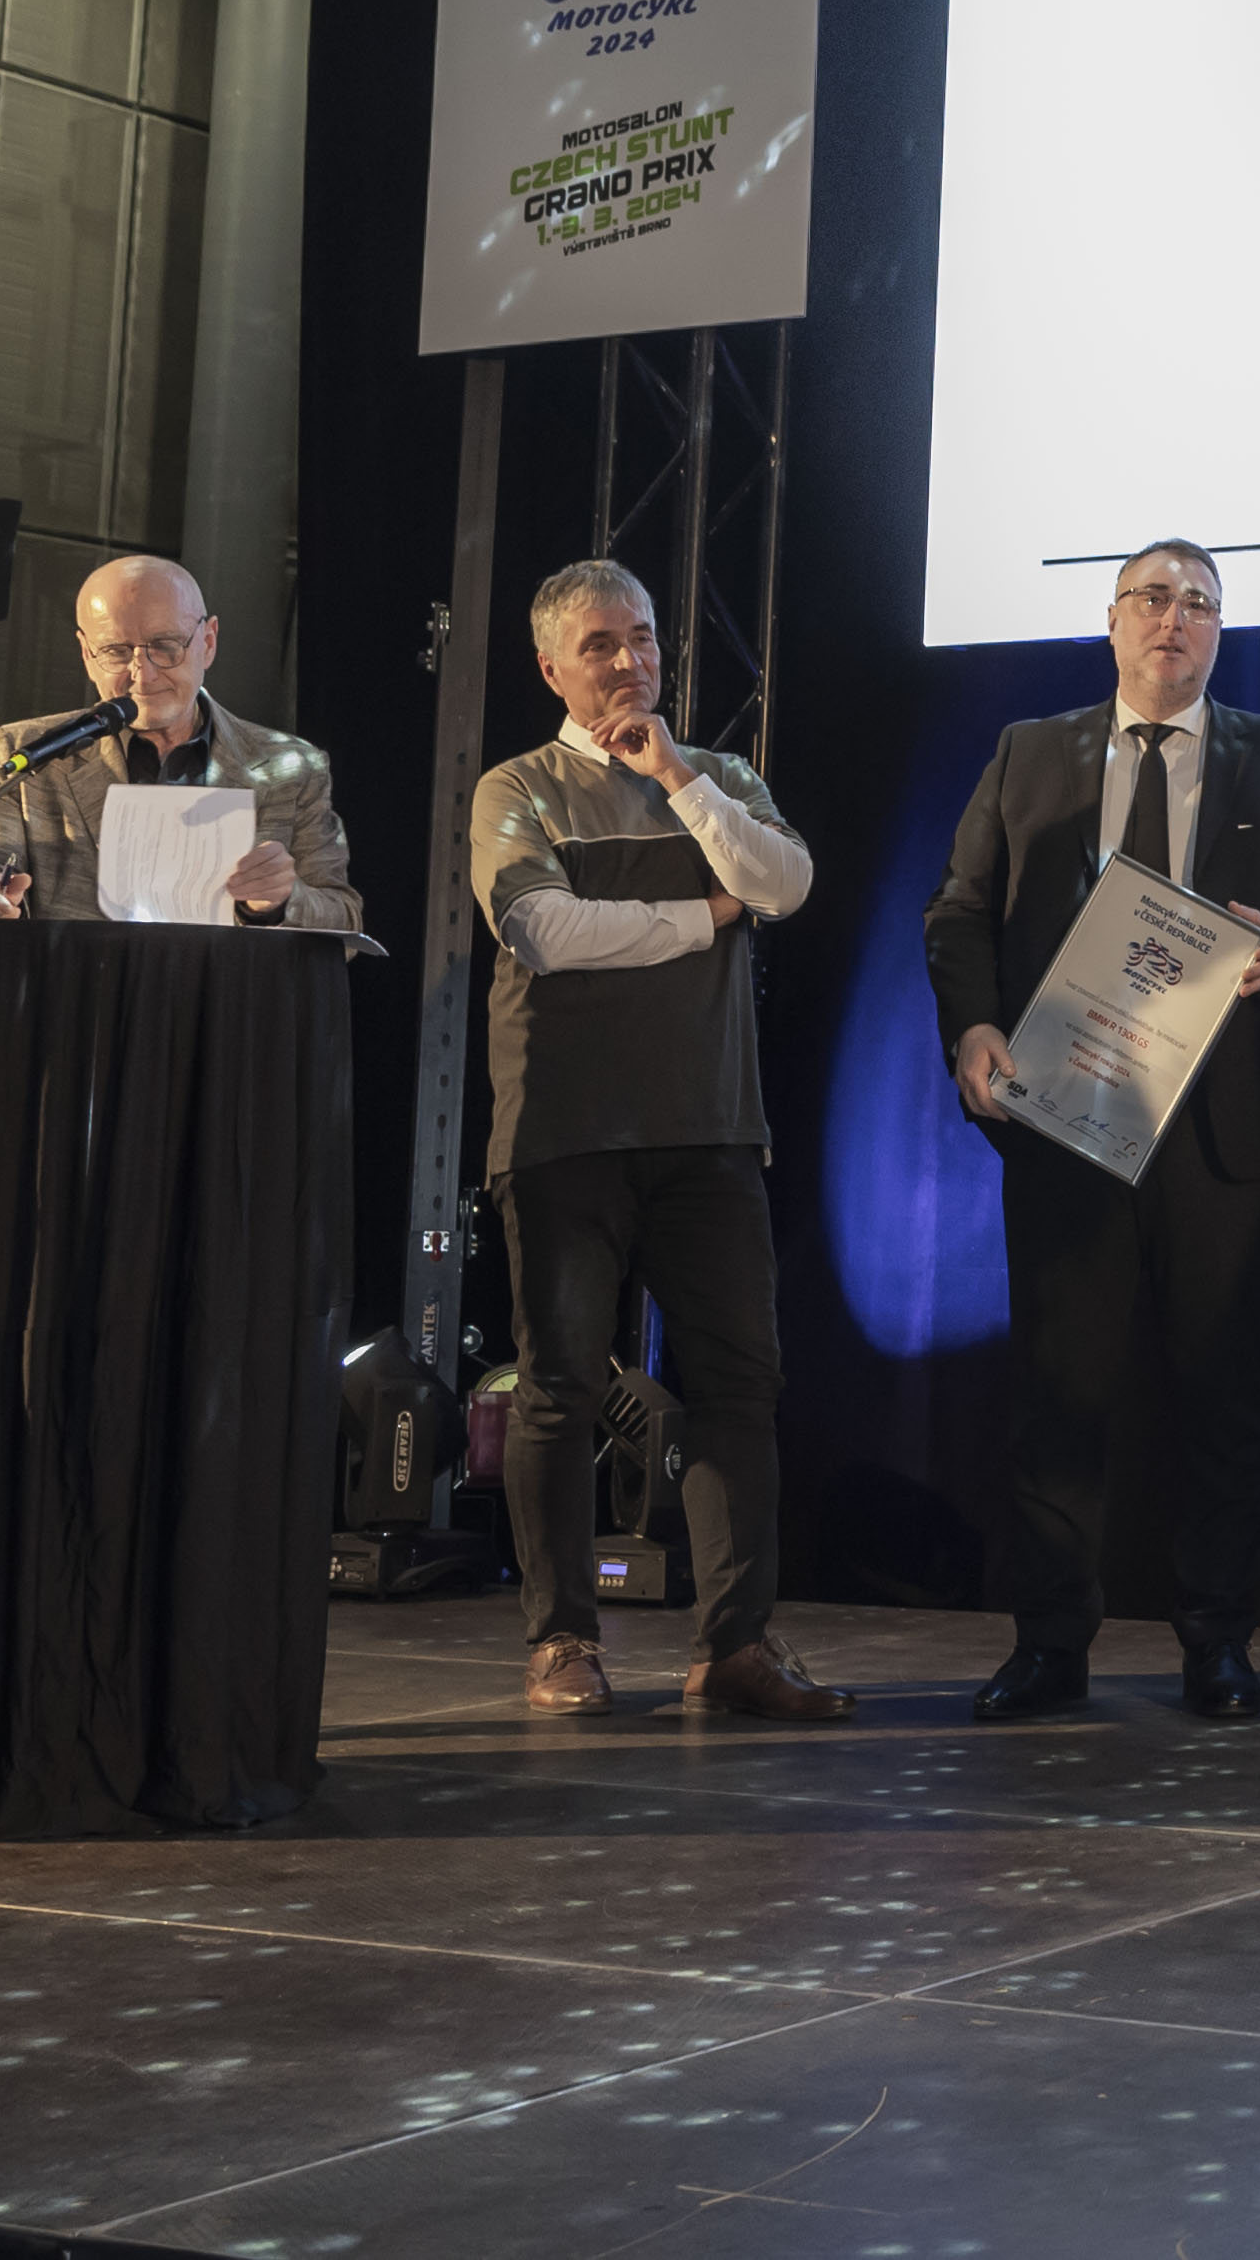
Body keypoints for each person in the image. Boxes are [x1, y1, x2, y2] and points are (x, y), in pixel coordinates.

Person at [928, 539, 1260, 1723]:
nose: (1174, 618)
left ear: (1219, 632)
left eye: (1199, 605)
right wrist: (974, 1026)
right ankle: (1049, 1648)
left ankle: (1217, 1645)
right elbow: (961, 907)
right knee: (1058, 1397)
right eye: (1152, 597)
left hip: (1224, 1132)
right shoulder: (1030, 752)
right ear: (1112, 617)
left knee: (1224, 1400)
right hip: (1067, 1113)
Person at [468, 559, 842, 1721]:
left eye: (641, 638)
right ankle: (563, 1641)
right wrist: (707, 917)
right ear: (551, 668)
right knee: (560, 1385)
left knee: (740, 1383)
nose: (630, 661)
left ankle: (734, 1648)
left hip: (709, 1128)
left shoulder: (720, 775)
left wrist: (678, 777)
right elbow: (546, 930)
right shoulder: (517, 787)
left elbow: (784, 884)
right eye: (601, 645)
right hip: (564, 1131)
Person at [0, 554, 357, 927]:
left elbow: (344, 922)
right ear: (86, 654)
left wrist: (280, 901)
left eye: (166, 647)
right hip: (73, 979)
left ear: (208, 643)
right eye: (115, 651)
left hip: (222, 982)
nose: (143, 675)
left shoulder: (293, 768)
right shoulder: (25, 752)